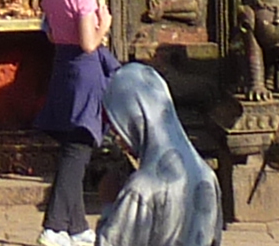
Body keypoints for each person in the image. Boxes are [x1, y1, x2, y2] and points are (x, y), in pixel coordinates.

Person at [35, 0, 112, 246]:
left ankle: (77, 227)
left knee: (72, 149)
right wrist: (104, 23)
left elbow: (51, 34)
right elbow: (89, 43)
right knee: (76, 152)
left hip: (62, 70)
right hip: (84, 73)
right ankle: (53, 226)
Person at [91, 62, 220, 246]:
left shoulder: (141, 188)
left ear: (135, 117)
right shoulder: (206, 175)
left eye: (118, 124)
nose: (117, 136)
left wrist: (109, 205)